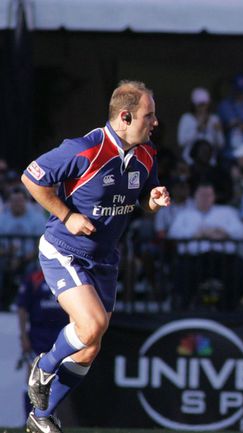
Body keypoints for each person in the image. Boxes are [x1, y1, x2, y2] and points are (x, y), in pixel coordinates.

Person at [20, 80, 170, 433]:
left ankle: (41, 415)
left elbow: (144, 198)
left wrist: (154, 201)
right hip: (65, 251)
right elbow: (32, 177)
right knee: (92, 326)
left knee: (89, 347)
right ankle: (44, 366)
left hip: (104, 259)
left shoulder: (146, 154)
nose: (155, 122)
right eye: (149, 115)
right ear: (125, 117)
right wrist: (67, 215)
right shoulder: (85, 149)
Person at [167, 182, 243, 310]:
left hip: (224, 258)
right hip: (193, 258)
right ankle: (185, 308)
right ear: (195, 196)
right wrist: (196, 234)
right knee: (181, 273)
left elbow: (240, 231)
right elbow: (173, 233)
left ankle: (227, 307)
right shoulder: (184, 214)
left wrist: (224, 232)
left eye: (208, 195)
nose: (205, 198)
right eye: (202, 195)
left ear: (214, 197)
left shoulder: (227, 212)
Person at [17, 266, 69, 417]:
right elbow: (22, 308)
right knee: (32, 376)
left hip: (61, 334)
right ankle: (29, 417)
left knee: (60, 379)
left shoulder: (66, 277)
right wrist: (23, 336)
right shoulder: (33, 279)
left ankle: (51, 418)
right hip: (38, 334)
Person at [177, 87, 225, 165]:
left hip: (210, 163)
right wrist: (197, 130)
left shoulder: (214, 119)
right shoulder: (186, 118)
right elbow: (181, 142)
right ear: (194, 105)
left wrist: (218, 132)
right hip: (190, 162)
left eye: (205, 104)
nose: (203, 108)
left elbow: (221, 144)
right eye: (200, 105)